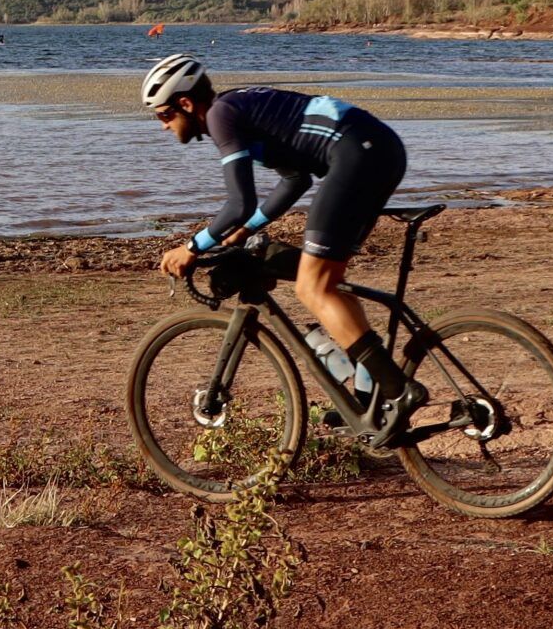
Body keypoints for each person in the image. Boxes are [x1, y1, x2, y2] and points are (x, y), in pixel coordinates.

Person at [142, 54, 426, 444]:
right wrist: (246, 229)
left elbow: (238, 202)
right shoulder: (239, 109)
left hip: (357, 156)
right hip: (376, 150)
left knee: (313, 287)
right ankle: (368, 400)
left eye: (162, 116)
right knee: (327, 283)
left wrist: (193, 246)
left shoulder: (222, 115)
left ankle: (398, 390)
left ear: (186, 104)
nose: (163, 126)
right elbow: (295, 179)